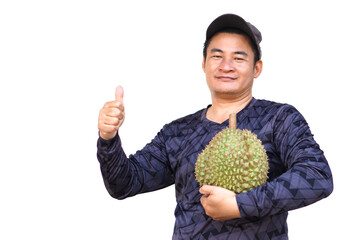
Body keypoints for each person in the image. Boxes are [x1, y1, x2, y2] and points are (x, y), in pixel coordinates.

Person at [97, 13, 333, 239]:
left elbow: (317, 175)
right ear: (204, 63)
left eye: (239, 58)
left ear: (257, 68)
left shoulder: (280, 119)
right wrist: (108, 138)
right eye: (217, 56)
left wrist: (240, 205)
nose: (226, 66)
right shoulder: (178, 131)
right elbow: (123, 183)